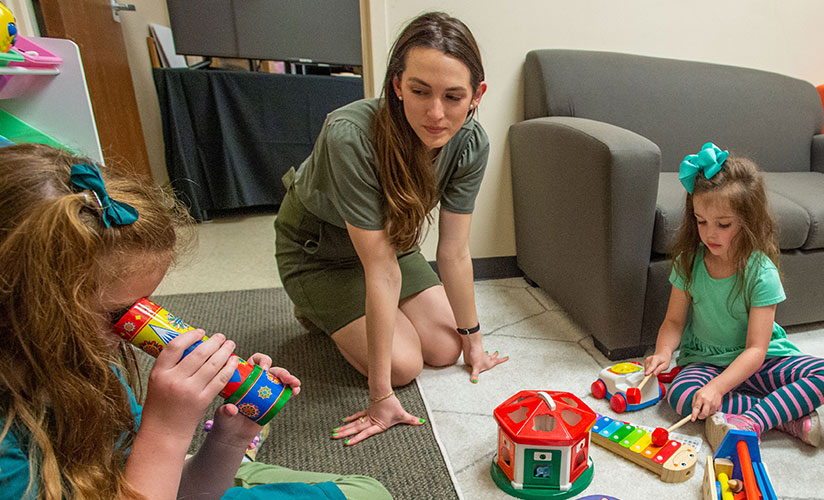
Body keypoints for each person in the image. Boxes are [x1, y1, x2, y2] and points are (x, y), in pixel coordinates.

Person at [0, 143, 391, 499]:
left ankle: (242, 463)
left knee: (369, 493)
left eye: (144, 304)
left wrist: (228, 441)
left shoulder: (94, 369)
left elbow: (184, 493)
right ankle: (246, 471)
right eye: (118, 313)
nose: (134, 326)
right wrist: (166, 431)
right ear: (22, 305)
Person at [273, 12, 506, 446]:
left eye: (454, 97)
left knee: (444, 348)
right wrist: (379, 395)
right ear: (397, 84)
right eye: (420, 91)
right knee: (404, 366)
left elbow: (454, 251)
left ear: (477, 95)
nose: (436, 114)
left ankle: (364, 319)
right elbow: (379, 272)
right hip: (321, 255)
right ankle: (318, 310)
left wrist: (474, 341)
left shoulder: (471, 142)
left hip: (391, 245)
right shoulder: (349, 134)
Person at [641, 143, 824, 449]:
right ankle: (786, 415)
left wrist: (717, 390)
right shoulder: (688, 261)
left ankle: (756, 419)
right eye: (701, 221)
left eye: (723, 225)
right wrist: (663, 353)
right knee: (681, 396)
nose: (710, 233)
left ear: (747, 221)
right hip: (706, 360)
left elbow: (756, 350)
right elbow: (673, 321)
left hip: (761, 362)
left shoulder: (761, 272)